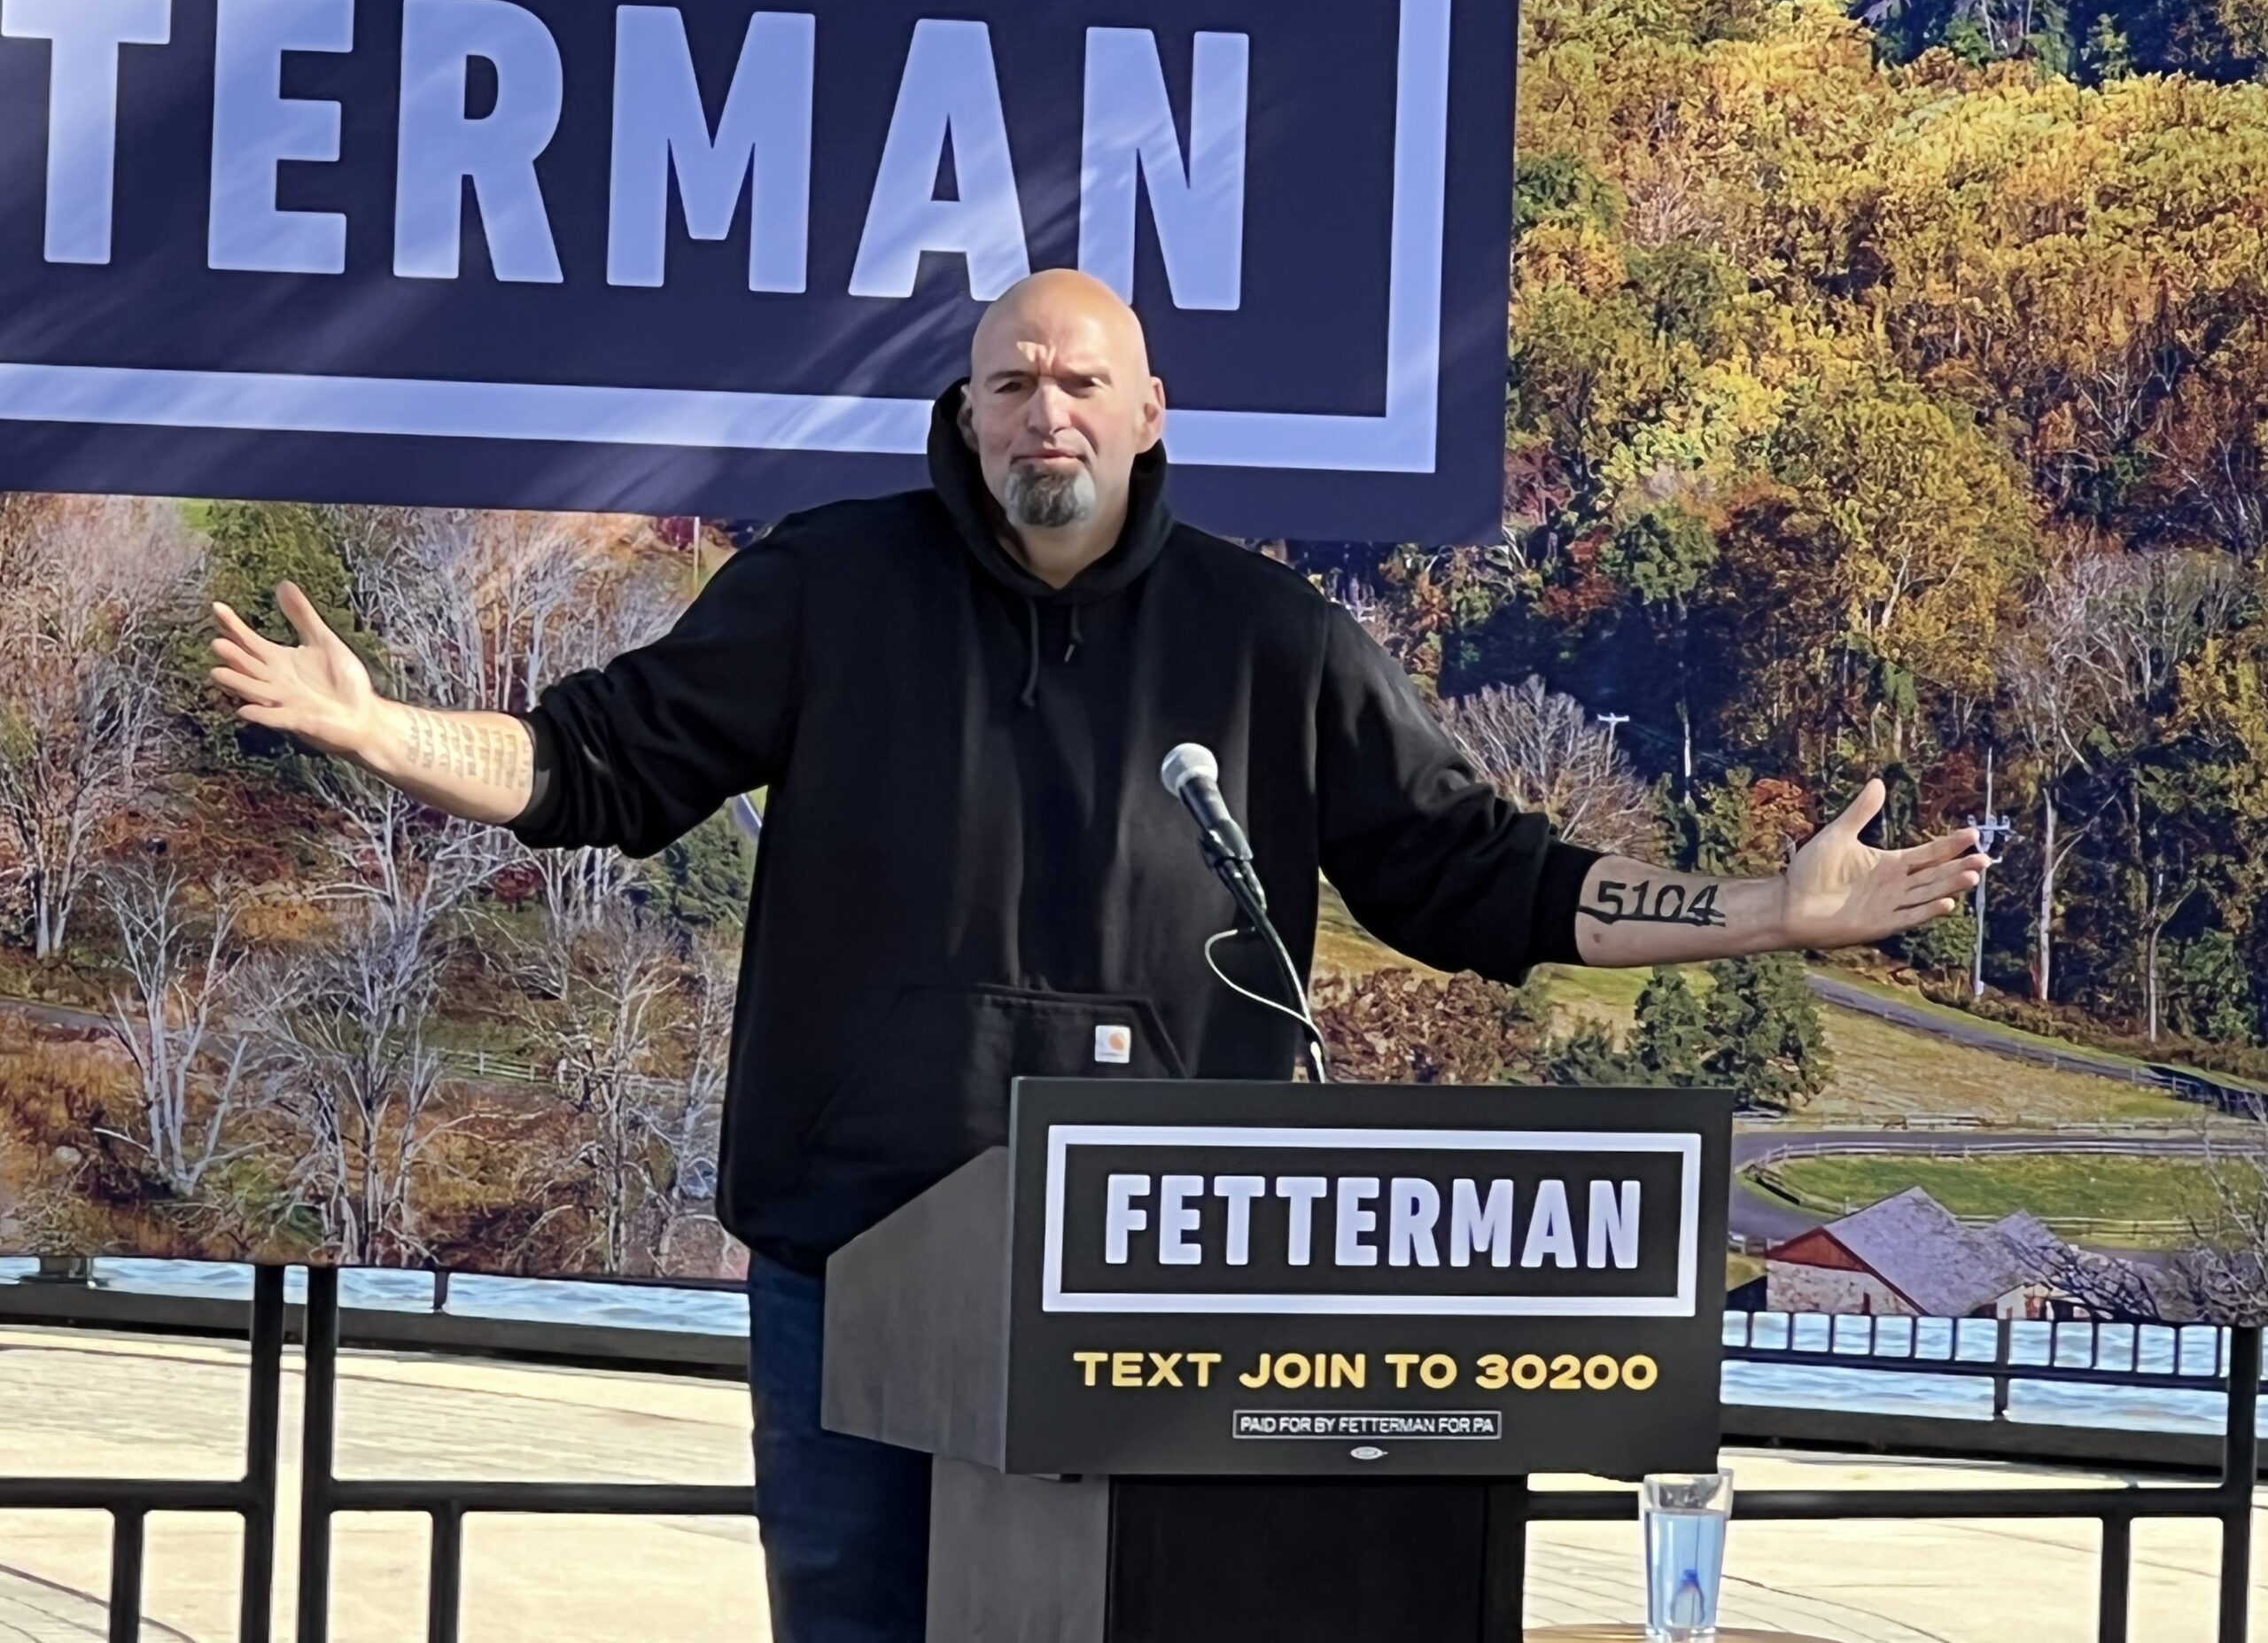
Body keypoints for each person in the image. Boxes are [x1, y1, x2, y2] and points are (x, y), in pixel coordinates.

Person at [207, 268, 1988, 1642]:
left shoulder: (1273, 640)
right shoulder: (828, 589)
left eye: (1077, 381)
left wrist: (1766, 911)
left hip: (1164, 1300)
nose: (1042, 410)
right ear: (966, 415)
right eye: (1009, 383)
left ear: (1148, 412)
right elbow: (593, 764)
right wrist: (383, 732)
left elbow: (1473, 874)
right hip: (854, 1275)